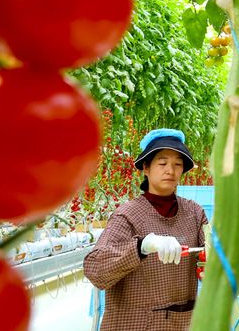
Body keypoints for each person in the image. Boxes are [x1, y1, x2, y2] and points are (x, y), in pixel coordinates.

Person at [84, 128, 208, 331]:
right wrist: (141, 247)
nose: (171, 170)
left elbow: (209, 259)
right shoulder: (128, 215)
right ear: (146, 168)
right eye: (162, 163)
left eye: (178, 164)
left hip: (179, 323)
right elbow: (95, 270)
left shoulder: (194, 213)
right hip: (132, 324)